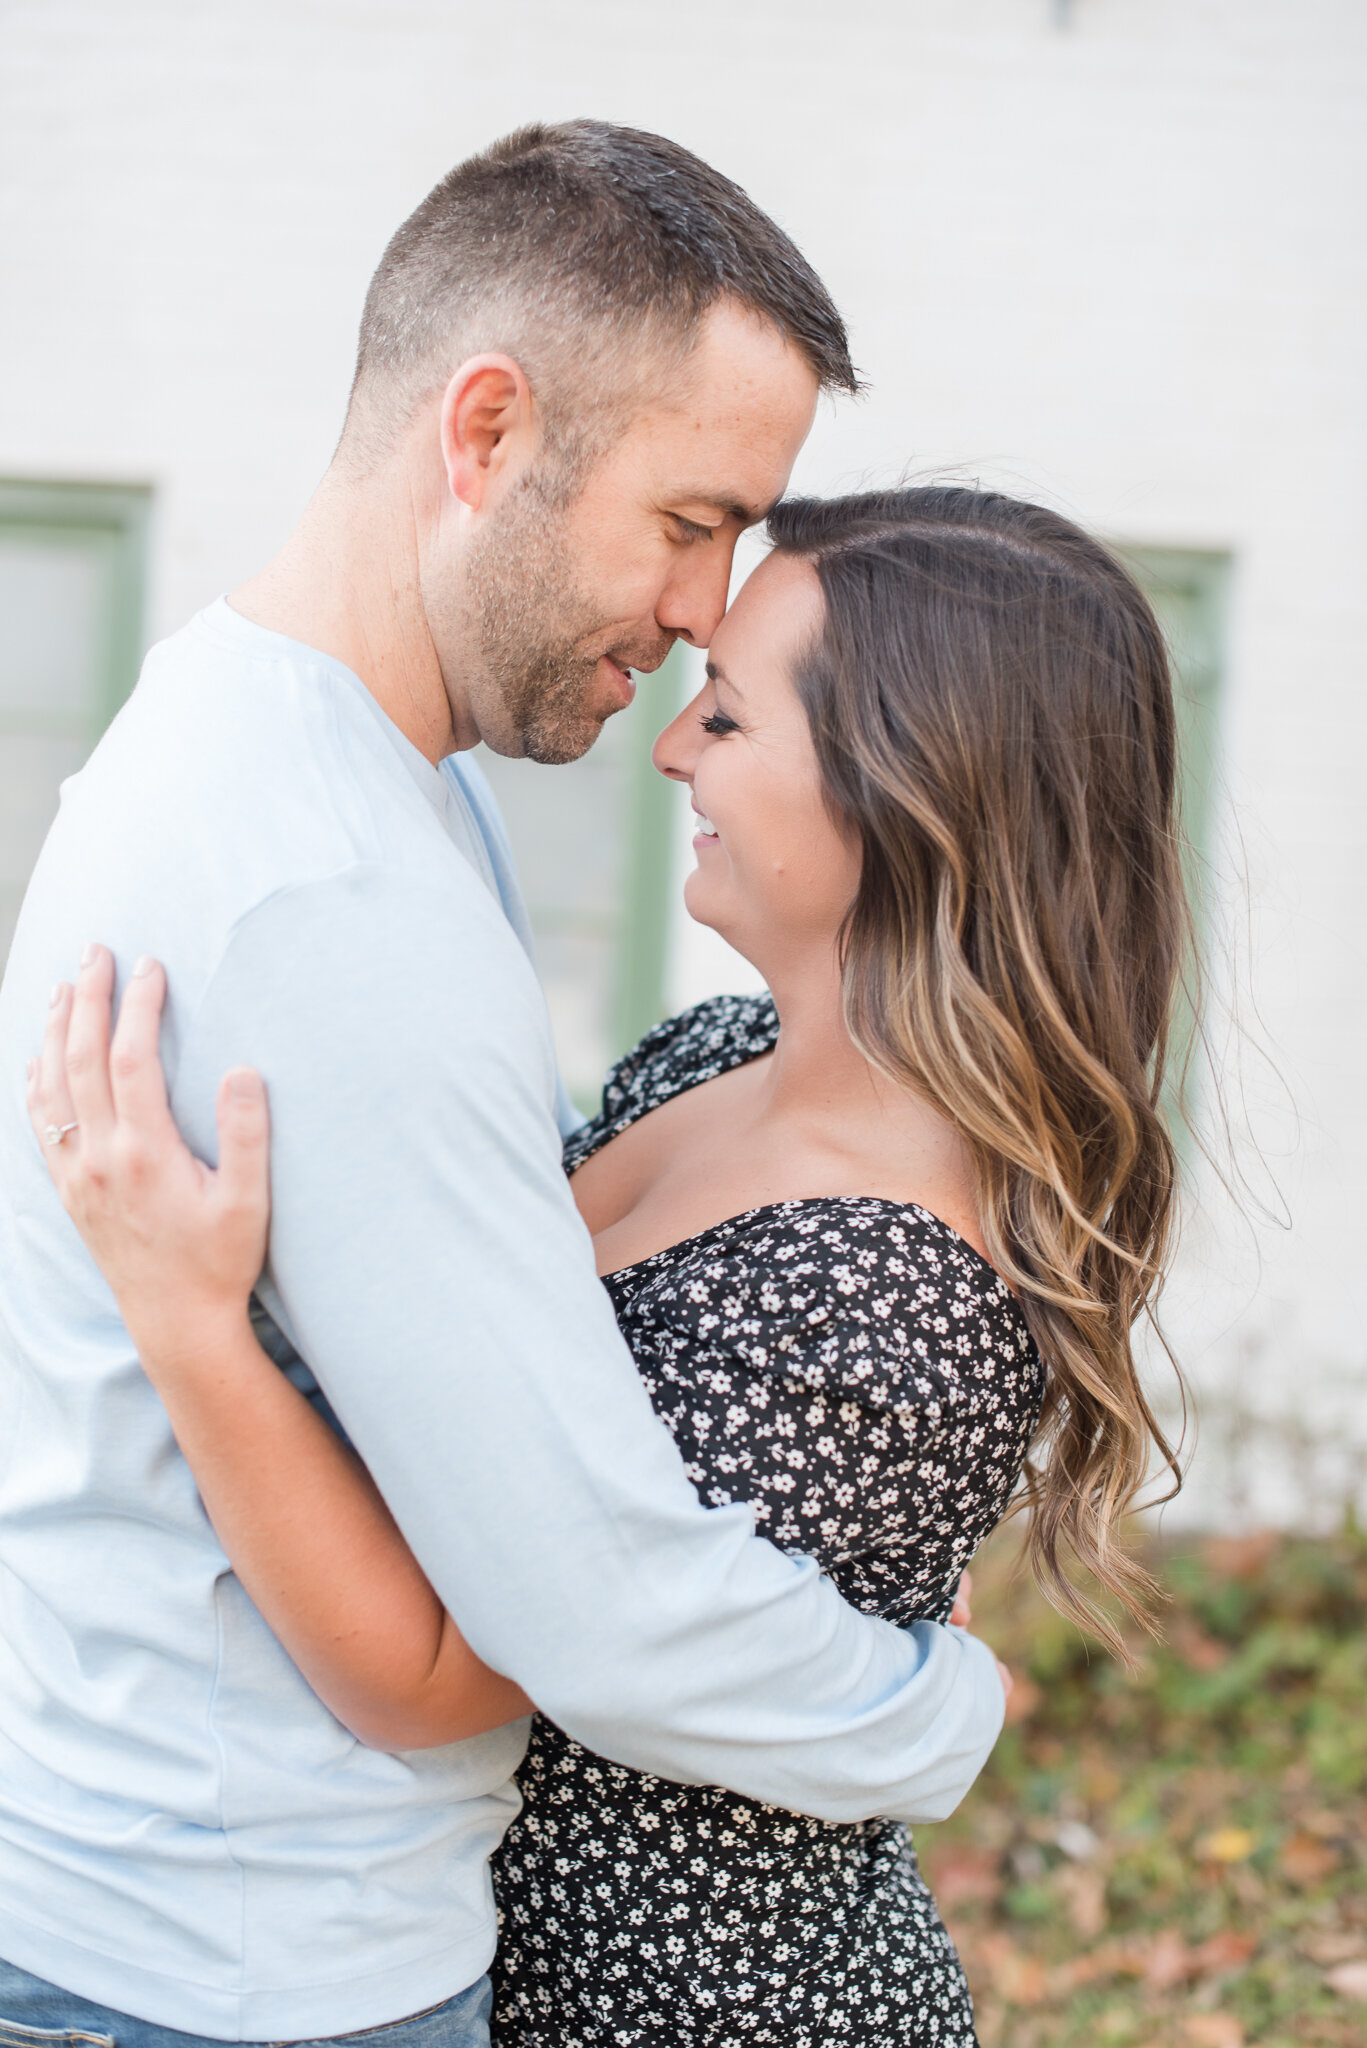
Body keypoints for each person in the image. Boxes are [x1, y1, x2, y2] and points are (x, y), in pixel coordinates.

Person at [0, 126, 1011, 2048]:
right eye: (693, 519)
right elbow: (582, 1606)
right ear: (486, 436)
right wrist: (934, 1706)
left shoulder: (321, 756)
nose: (713, 607)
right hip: (237, 1965)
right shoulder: (333, 891)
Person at [28, 485, 1191, 2047]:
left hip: (699, 2006)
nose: (668, 747)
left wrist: (187, 1320)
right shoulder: (713, 1059)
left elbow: (456, 1667)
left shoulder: (888, 1300)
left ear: (911, 794)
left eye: (728, 715)